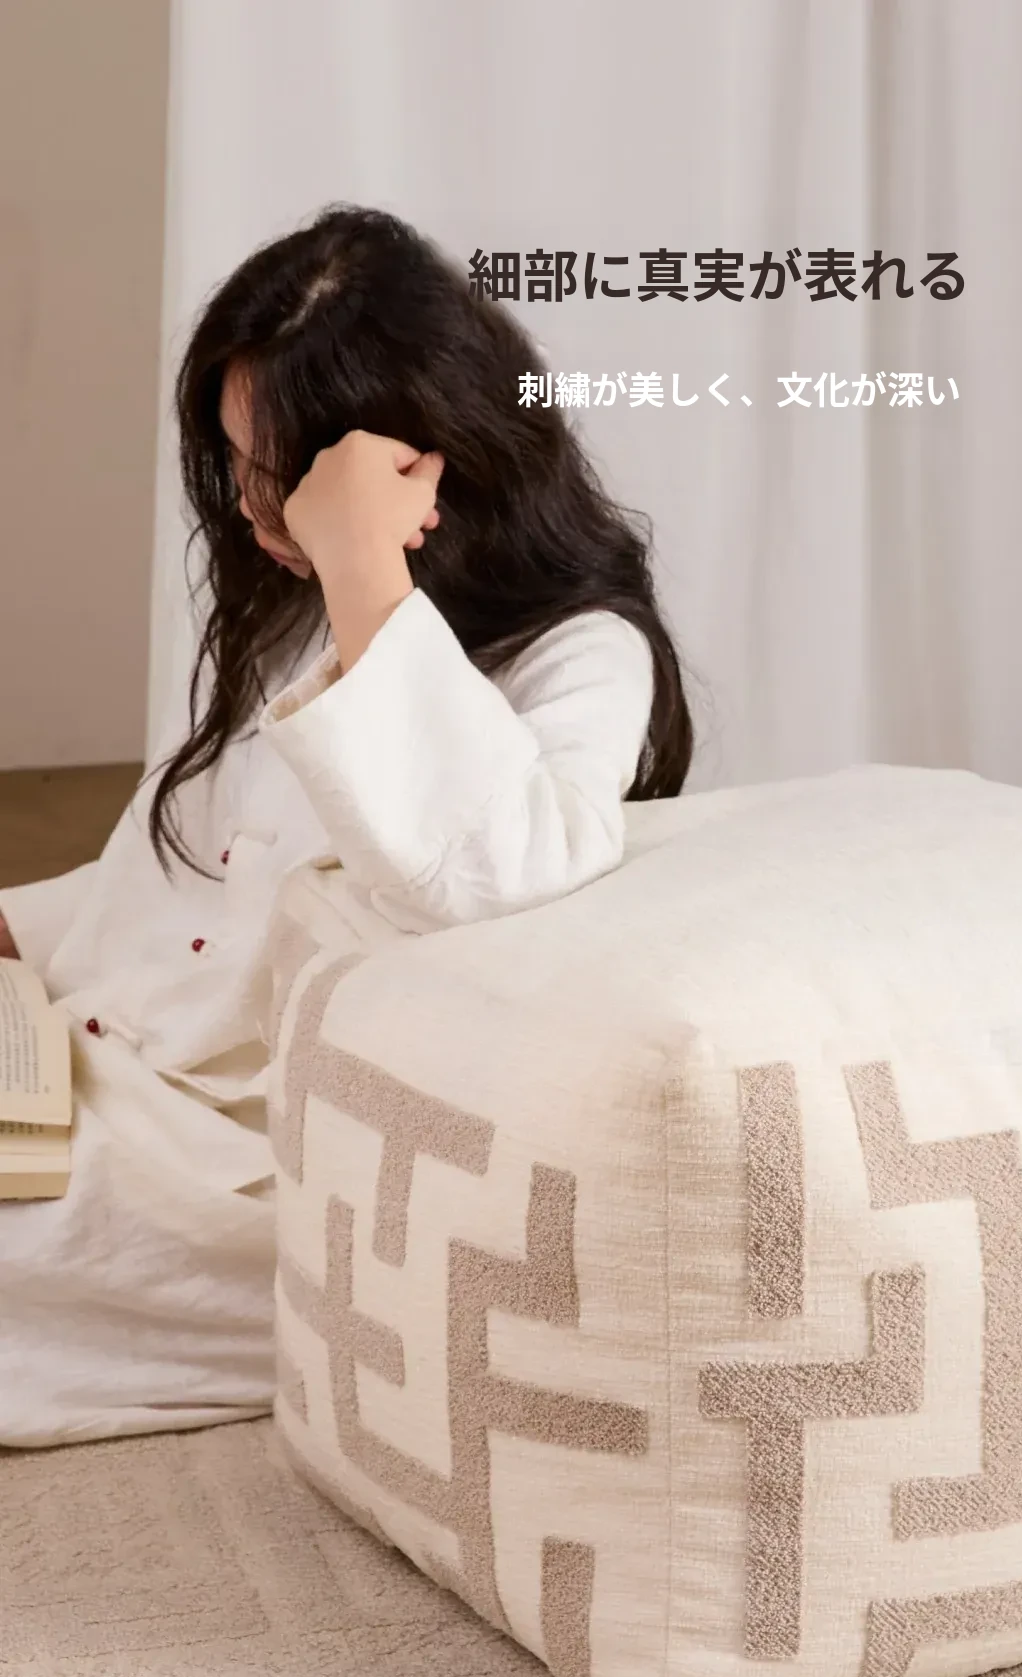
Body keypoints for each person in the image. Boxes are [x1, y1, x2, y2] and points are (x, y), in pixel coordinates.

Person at [0, 203, 693, 1449]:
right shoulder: (288, 614)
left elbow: (492, 873)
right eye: (237, 463)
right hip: (92, 1074)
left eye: (286, 478)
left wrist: (369, 568)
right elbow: (194, 885)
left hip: (248, 1172)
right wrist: (17, 929)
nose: (250, 506)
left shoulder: (582, 654)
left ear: (414, 464)